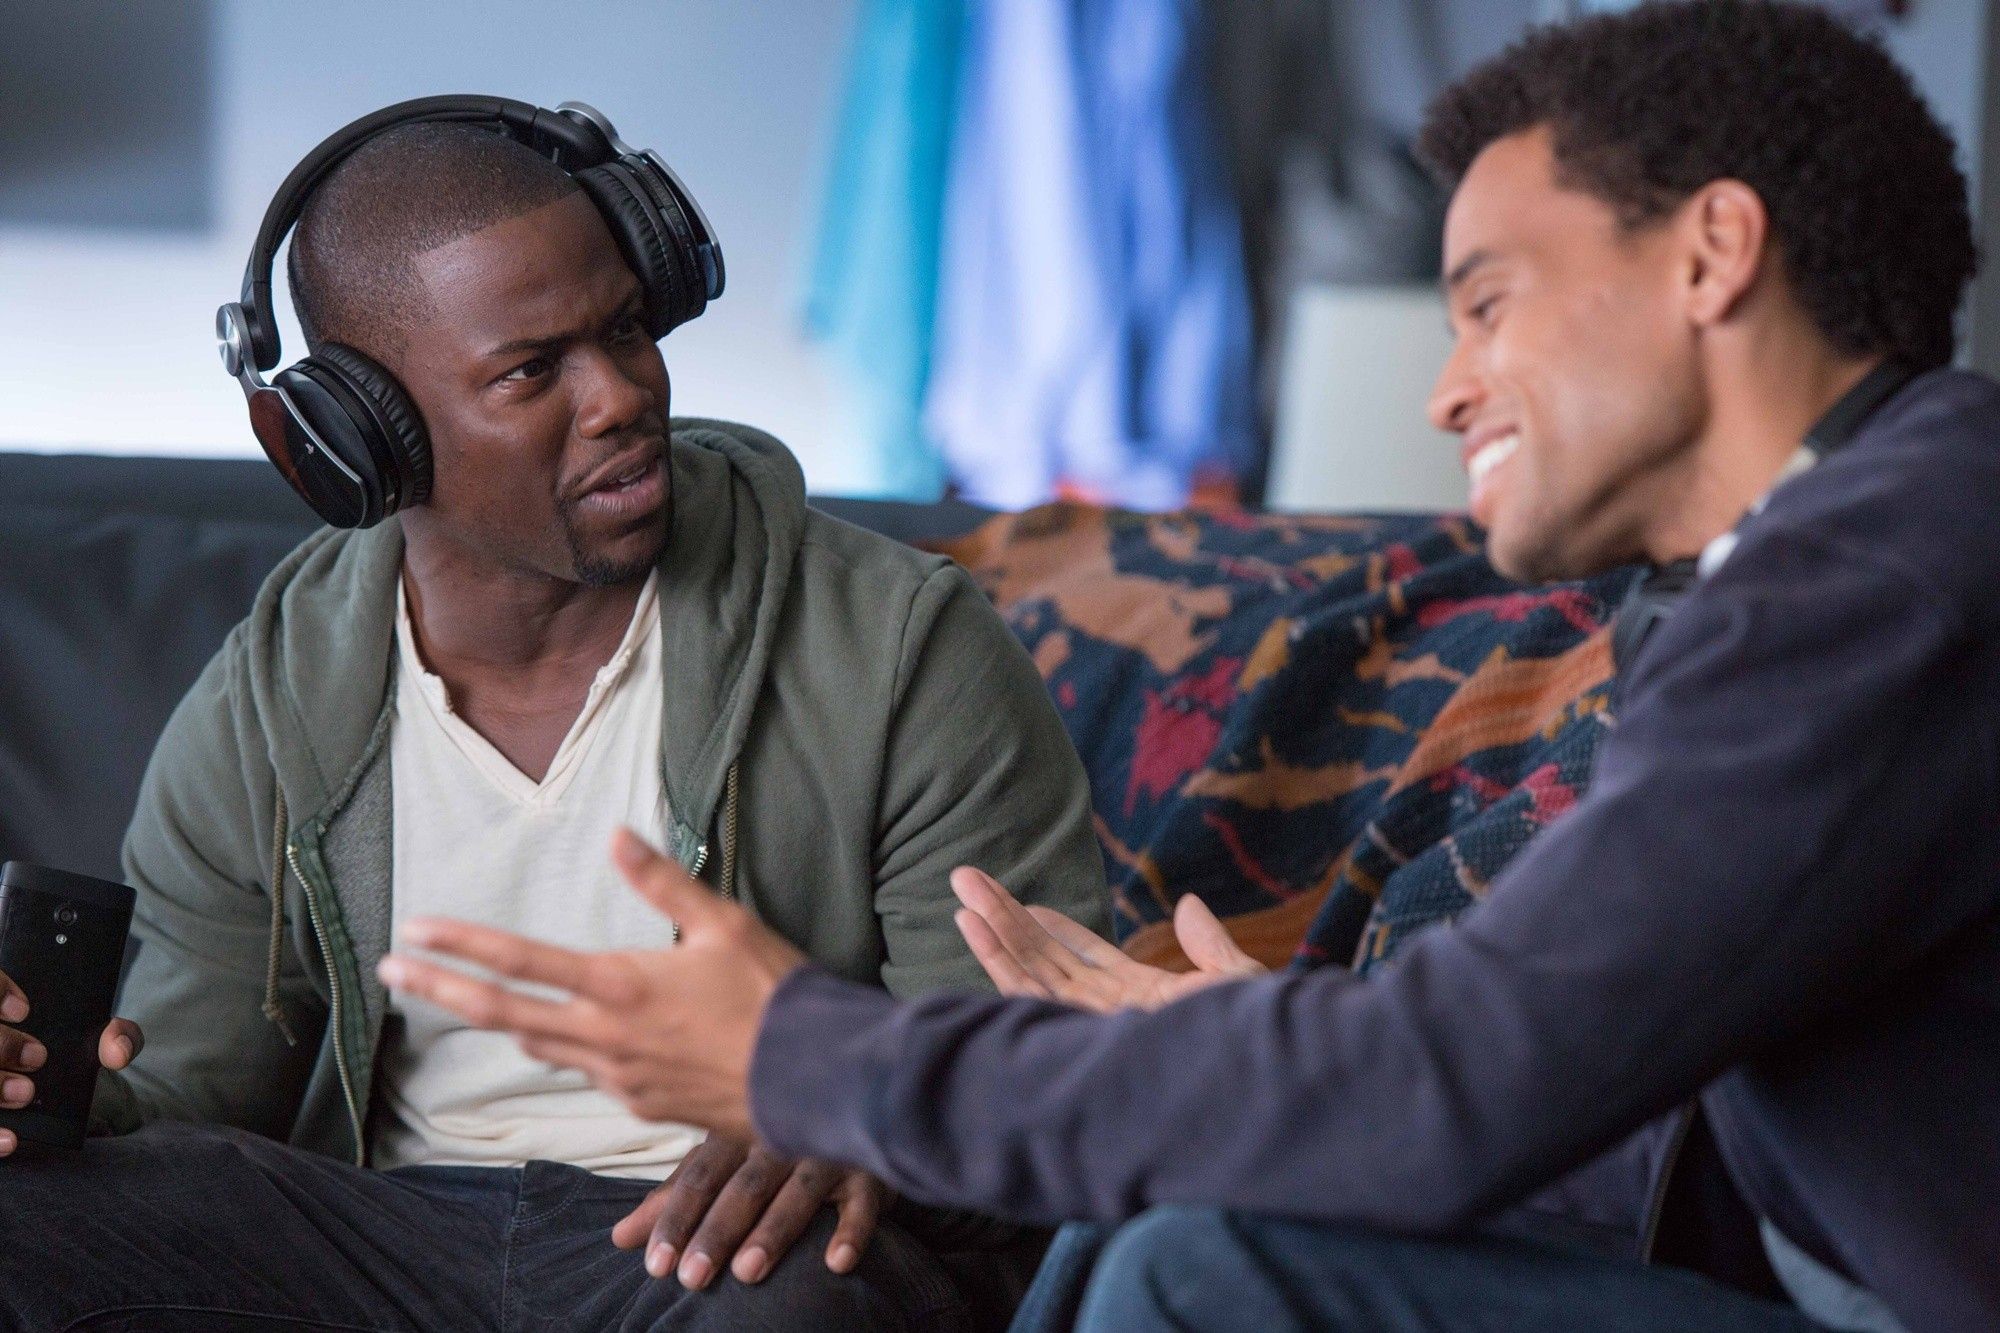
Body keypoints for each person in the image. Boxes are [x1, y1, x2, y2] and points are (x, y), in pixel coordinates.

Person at [378, 5, 2000, 1330]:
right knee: (1193, 1210)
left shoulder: (1892, 572)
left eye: (1488, 302)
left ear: (1712, 254)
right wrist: (1265, 1068)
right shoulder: (1808, 566)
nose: (1447, 391)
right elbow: (1583, 1090)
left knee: (1201, 1275)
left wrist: (797, 1054)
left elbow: (1460, 1083)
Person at [0, 105, 1109, 1331]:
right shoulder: (267, 705)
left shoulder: (898, 645)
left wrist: (859, 1114)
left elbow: (1036, 1080)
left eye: (626, 329)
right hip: (377, 1242)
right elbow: (194, 1096)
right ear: (362, 440)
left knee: (796, 1299)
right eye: (531, 371)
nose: (622, 395)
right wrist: (43, 1098)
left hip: (717, 1248)